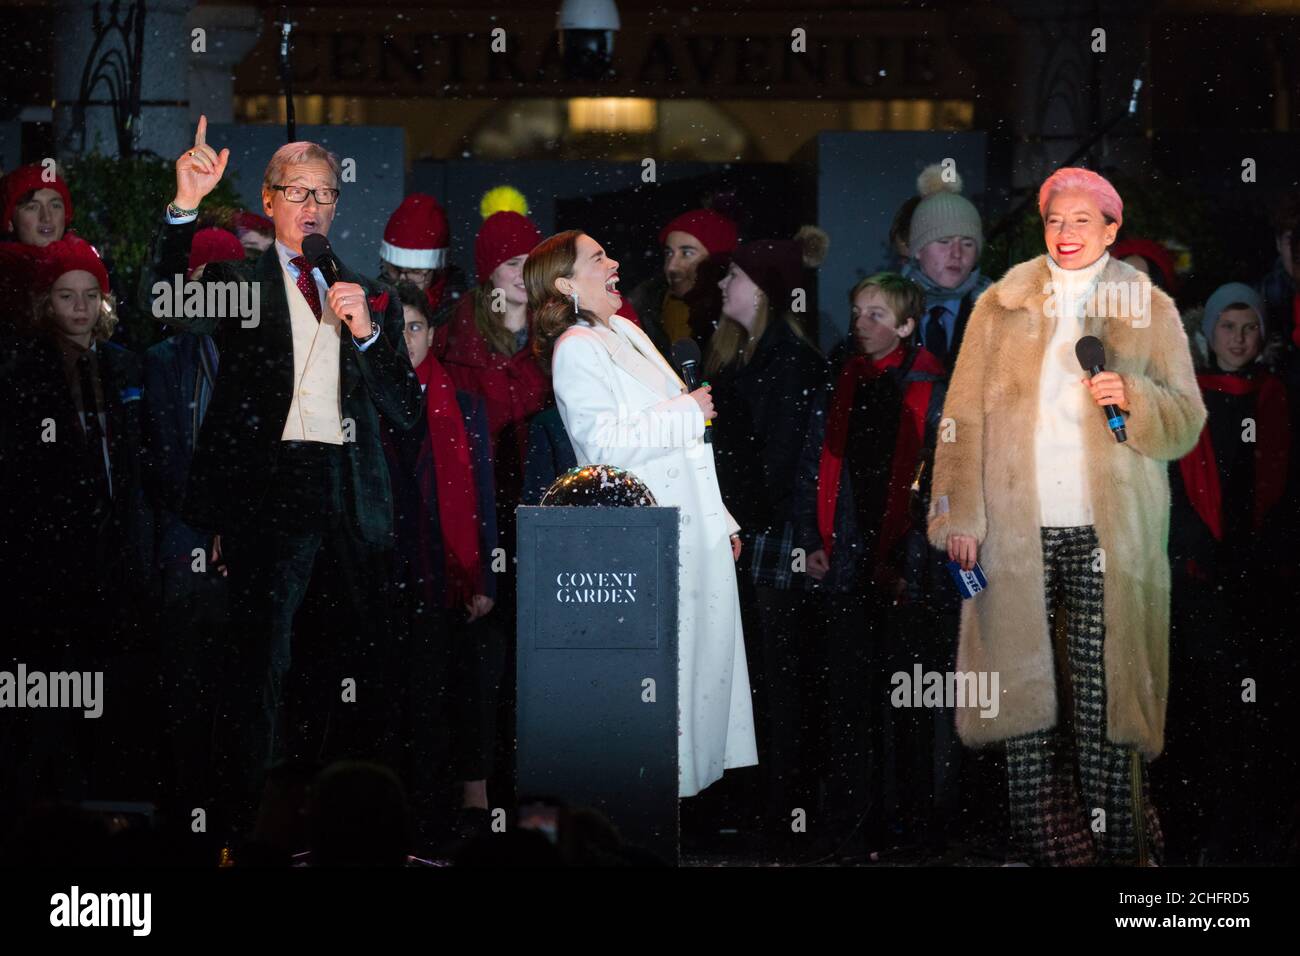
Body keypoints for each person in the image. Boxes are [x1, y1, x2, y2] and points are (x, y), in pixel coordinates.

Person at [141, 116, 423, 844]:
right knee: (259, 674)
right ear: (269, 201)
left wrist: (365, 334)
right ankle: (245, 833)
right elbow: (159, 311)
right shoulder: (239, 283)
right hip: (268, 497)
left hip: (346, 495)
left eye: (325, 194)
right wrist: (184, 208)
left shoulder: (364, 292)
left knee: (348, 674)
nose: (312, 206)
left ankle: (345, 836)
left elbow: (405, 411)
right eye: (297, 191)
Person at [926, 167, 1207, 866]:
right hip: (1017, 539)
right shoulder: (1001, 305)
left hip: (1108, 540)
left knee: (1104, 712)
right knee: (1025, 718)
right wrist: (960, 512)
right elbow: (959, 420)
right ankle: (1057, 855)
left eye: (1083, 220)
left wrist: (1133, 396)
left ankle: (1126, 860)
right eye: (1055, 219)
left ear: (1112, 230)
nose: (1066, 232)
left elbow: (1186, 422)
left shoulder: (1149, 307)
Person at [533, 229, 758, 798]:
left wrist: (721, 519)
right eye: (598, 258)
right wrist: (686, 411)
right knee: (668, 677)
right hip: (646, 537)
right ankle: (649, 807)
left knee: (701, 670)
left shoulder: (627, 330)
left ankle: (679, 807)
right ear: (566, 283)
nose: (614, 263)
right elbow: (602, 446)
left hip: (688, 529)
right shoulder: (576, 348)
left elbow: (687, 451)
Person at [795, 272, 953, 854]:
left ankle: (914, 824)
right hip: (849, 564)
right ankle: (857, 822)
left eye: (877, 315)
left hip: (911, 567)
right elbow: (814, 465)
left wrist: (917, 557)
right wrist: (813, 536)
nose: (862, 324)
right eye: (858, 312)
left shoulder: (933, 389)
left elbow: (944, 482)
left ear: (908, 325)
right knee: (851, 701)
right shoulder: (841, 382)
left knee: (910, 703)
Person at [0, 236, 154, 814]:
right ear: (47, 302)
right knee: (52, 693)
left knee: (107, 688)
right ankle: (48, 806)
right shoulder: (27, 372)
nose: (80, 307)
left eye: (90, 295)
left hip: (114, 557)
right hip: (51, 560)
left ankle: (97, 800)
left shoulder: (120, 366)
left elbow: (138, 463)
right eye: (67, 295)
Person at [705, 228, 828, 843]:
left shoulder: (789, 363)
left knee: (773, 674)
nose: (723, 284)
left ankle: (782, 806)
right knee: (751, 672)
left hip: (766, 541)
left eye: (736, 276)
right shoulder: (739, 356)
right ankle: (760, 801)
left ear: (767, 291)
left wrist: (738, 522)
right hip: (746, 535)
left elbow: (778, 465)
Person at [1163, 282, 1291, 863]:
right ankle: (1202, 829)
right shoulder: (1191, 397)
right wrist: (1199, 550)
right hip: (1203, 579)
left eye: (1249, 329)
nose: (1239, 340)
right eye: (1227, 328)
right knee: (1205, 709)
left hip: (1262, 578)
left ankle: (1248, 829)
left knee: (1256, 712)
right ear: (1208, 334)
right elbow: (1175, 486)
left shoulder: (1277, 398)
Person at [383, 280, 502, 847]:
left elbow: (482, 494)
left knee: (444, 694)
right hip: (388, 568)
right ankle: (402, 816)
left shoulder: (466, 405)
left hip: (446, 569)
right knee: (398, 697)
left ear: (431, 333)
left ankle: (438, 819)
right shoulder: (366, 399)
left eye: (415, 327)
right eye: (396, 328)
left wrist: (484, 576)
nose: (406, 340)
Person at [901, 176, 992, 376]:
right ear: (918, 250)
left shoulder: (997, 312)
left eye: (968, 243)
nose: (957, 253)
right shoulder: (887, 308)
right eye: (944, 241)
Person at [628, 208, 738, 356]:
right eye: (669, 253)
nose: (671, 266)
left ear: (716, 260)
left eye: (687, 253)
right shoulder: (643, 311)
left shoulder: (740, 318)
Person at [380, 193, 467, 328]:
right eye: (394, 269)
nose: (402, 279)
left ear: (438, 272)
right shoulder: (373, 302)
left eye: (415, 271)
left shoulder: (462, 316)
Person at [1, 163, 74, 247]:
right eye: (32, 207)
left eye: (55, 206)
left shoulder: (85, 257)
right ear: (10, 222)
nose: (47, 218)